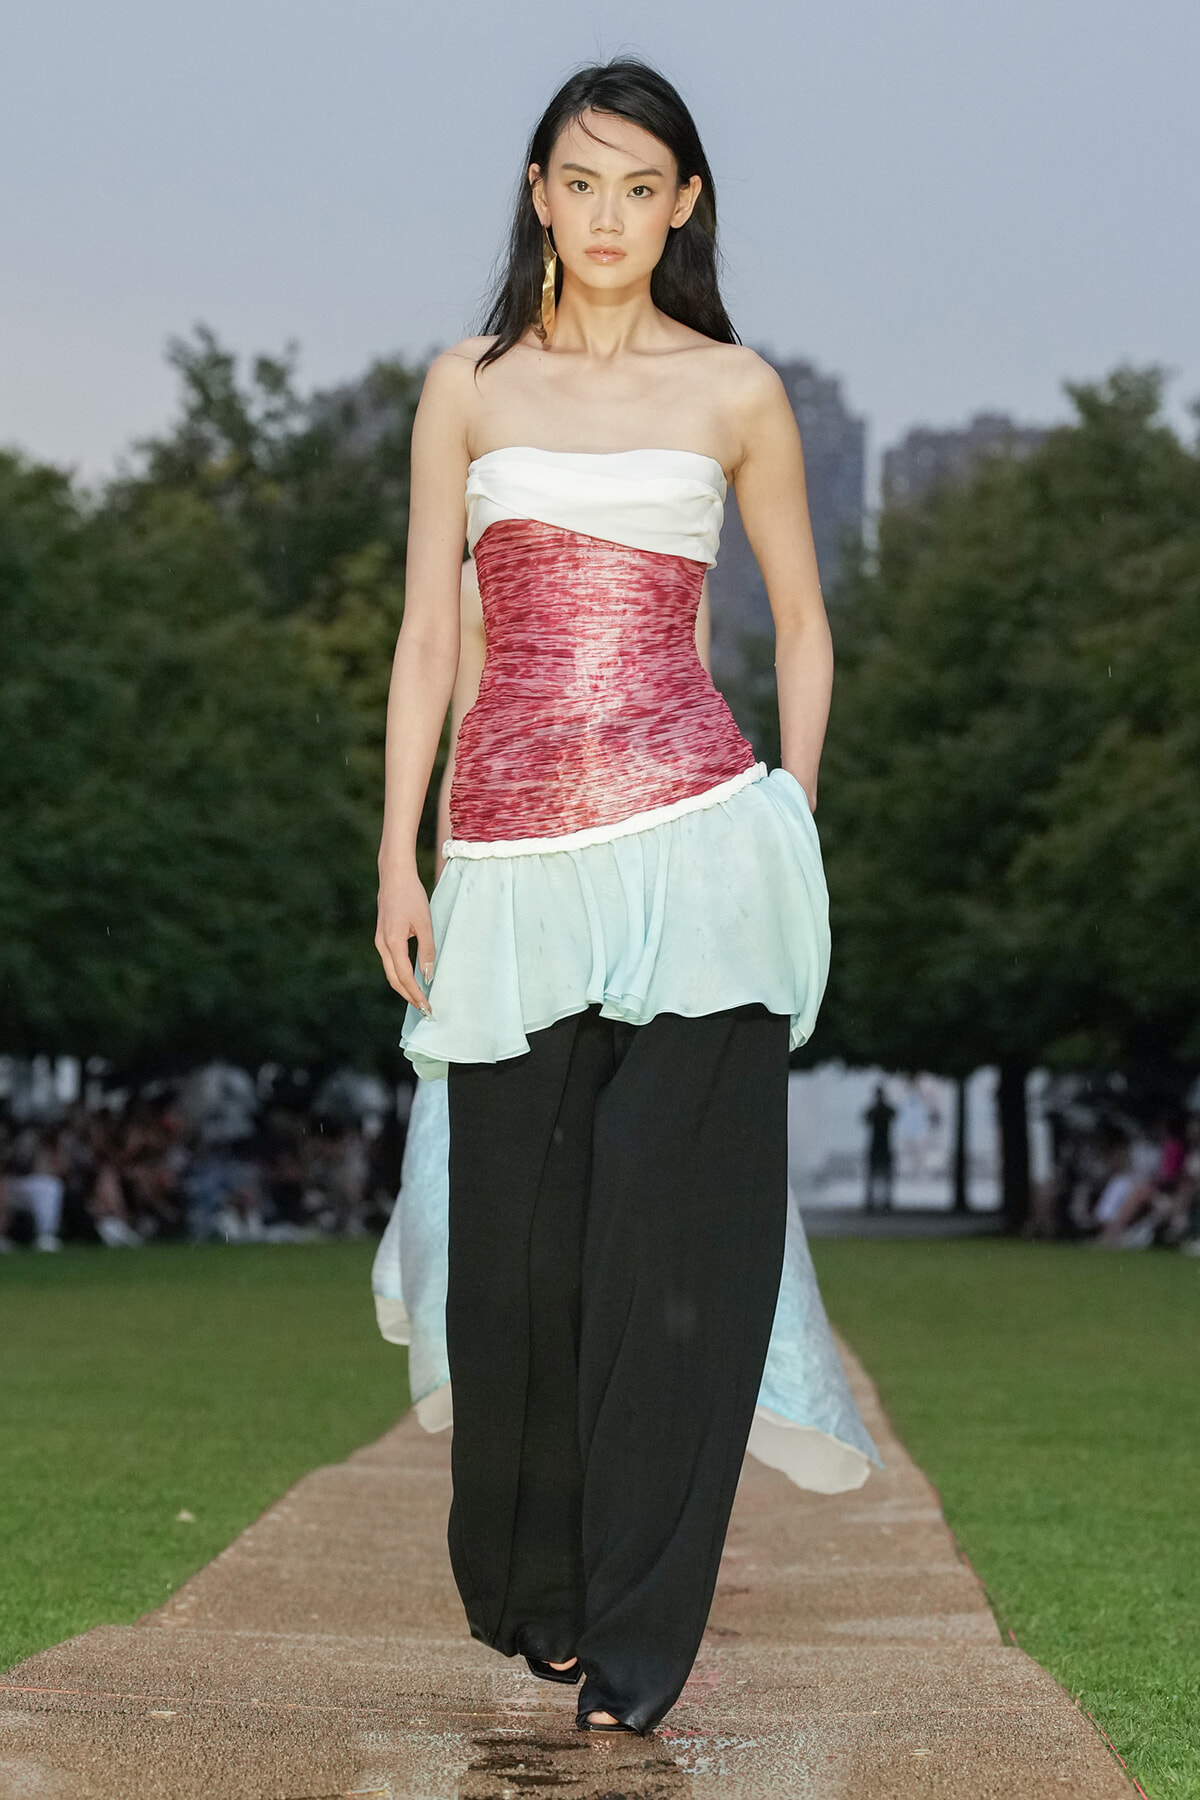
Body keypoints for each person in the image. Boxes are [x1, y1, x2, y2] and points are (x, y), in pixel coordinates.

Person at [375, 59, 870, 1738]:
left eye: (639, 187)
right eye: (579, 183)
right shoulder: (466, 386)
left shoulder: (734, 389)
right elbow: (432, 636)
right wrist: (399, 853)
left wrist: (792, 810)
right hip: (511, 870)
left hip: (700, 858)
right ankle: (542, 1595)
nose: (607, 215)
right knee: (517, 1272)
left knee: (673, 1260)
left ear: (684, 206)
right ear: (538, 195)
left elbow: (802, 620)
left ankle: (640, 1647)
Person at [862, 1083, 896, 1212]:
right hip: (881, 1146)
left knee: (877, 1177)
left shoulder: (876, 1110)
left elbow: (866, 1118)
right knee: (881, 1177)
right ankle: (881, 1203)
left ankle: (877, 1203)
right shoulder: (882, 1110)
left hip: (879, 1146)